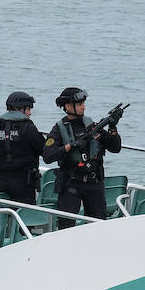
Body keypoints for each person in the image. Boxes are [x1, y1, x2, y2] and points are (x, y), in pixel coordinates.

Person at [42, 86, 121, 229]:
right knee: (66, 227)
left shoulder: (91, 126)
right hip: (71, 184)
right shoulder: (59, 129)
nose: (84, 108)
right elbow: (48, 156)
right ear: (67, 106)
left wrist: (113, 128)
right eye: (79, 104)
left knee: (98, 225)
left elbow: (115, 148)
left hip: (94, 183)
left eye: (84, 104)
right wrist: (72, 146)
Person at [0, 91, 44, 204]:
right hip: (24, 184)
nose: (30, 113)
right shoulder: (29, 128)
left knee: (2, 217)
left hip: (0, 183)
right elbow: (45, 151)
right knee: (23, 216)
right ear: (20, 109)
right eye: (28, 109)